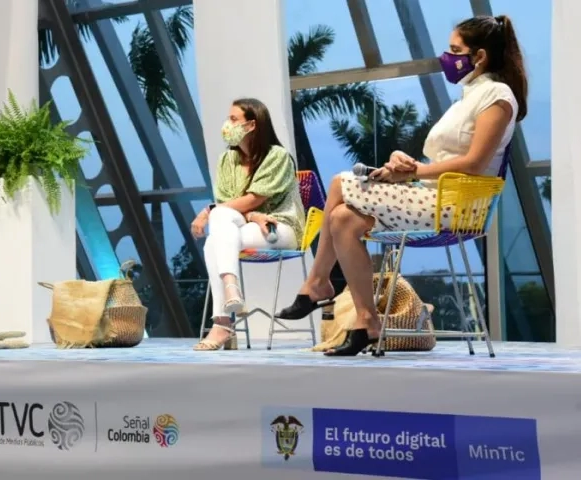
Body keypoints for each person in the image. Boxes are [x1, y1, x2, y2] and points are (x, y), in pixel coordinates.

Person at [276, 15, 527, 356]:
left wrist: (412, 173)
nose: (447, 57)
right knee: (341, 220)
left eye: (455, 50)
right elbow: (442, 157)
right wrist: (403, 163)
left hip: (454, 205)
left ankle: (317, 282)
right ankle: (367, 322)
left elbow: (474, 164)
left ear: (479, 56)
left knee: (339, 182)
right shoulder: (470, 95)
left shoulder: (498, 97)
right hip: (429, 196)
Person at [191, 98, 305, 351]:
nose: (226, 124)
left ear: (252, 125)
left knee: (216, 232)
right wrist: (251, 216)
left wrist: (207, 211)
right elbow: (229, 205)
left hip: (279, 227)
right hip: (244, 225)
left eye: (233, 119)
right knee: (215, 235)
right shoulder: (226, 160)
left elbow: (254, 199)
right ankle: (230, 296)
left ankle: (222, 322)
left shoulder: (277, 156)